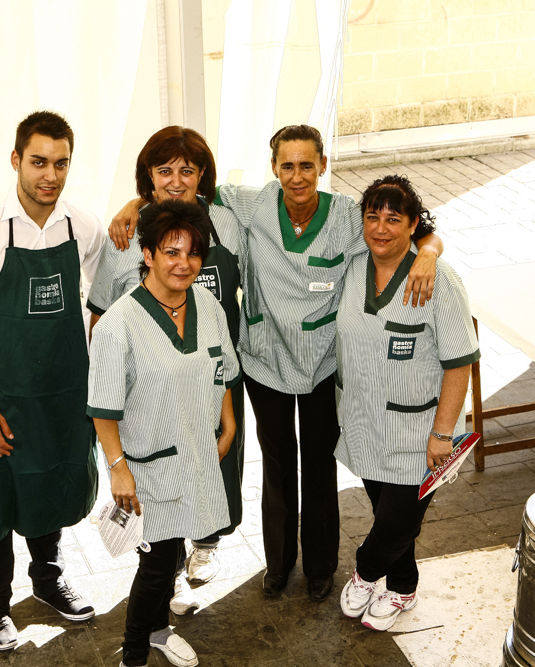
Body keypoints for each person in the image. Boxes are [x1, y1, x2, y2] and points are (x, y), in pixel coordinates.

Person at [212, 125, 443, 602]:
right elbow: (188, 192)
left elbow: (418, 228)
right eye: (287, 166)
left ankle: (320, 567)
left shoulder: (346, 216)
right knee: (277, 463)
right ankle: (278, 564)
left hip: (322, 363)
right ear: (274, 168)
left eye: (306, 165)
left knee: (319, 463)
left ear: (322, 164)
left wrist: (429, 254)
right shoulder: (253, 204)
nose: (297, 176)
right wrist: (134, 204)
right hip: (265, 358)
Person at [0, 111, 103, 651]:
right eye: (38, 162)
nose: (50, 176)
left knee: (48, 486)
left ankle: (48, 581)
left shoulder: (83, 228)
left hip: (62, 394)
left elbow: (107, 295)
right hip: (4, 399)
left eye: (61, 164)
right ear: (16, 160)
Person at [91, 126, 244, 613]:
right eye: (164, 171)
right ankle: (167, 573)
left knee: (216, 470)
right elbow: (100, 317)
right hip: (153, 385)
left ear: (203, 176)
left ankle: (206, 543)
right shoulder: (125, 235)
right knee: (161, 492)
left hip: (212, 374)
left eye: (187, 171)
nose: (176, 181)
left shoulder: (227, 221)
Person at [335, 175, 479, 632]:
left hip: (419, 433)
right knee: (387, 515)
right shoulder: (354, 264)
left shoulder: (440, 280)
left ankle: (365, 571)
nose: (381, 228)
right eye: (372, 217)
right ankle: (402, 585)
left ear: (414, 224)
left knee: (397, 523)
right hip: (364, 423)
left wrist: (442, 433)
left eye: (394, 219)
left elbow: (460, 362)